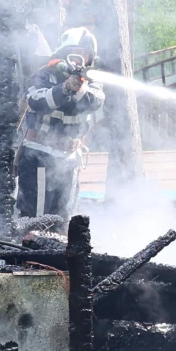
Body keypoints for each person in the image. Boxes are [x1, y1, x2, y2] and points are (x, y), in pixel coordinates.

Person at [16, 28, 105, 221]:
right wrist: (63, 89)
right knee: (34, 221)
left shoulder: (92, 82)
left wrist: (79, 86)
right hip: (39, 155)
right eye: (76, 52)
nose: (80, 58)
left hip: (70, 158)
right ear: (64, 52)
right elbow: (36, 100)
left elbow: (94, 101)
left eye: (85, 54)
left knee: (64, 221)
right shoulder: (44, 75)